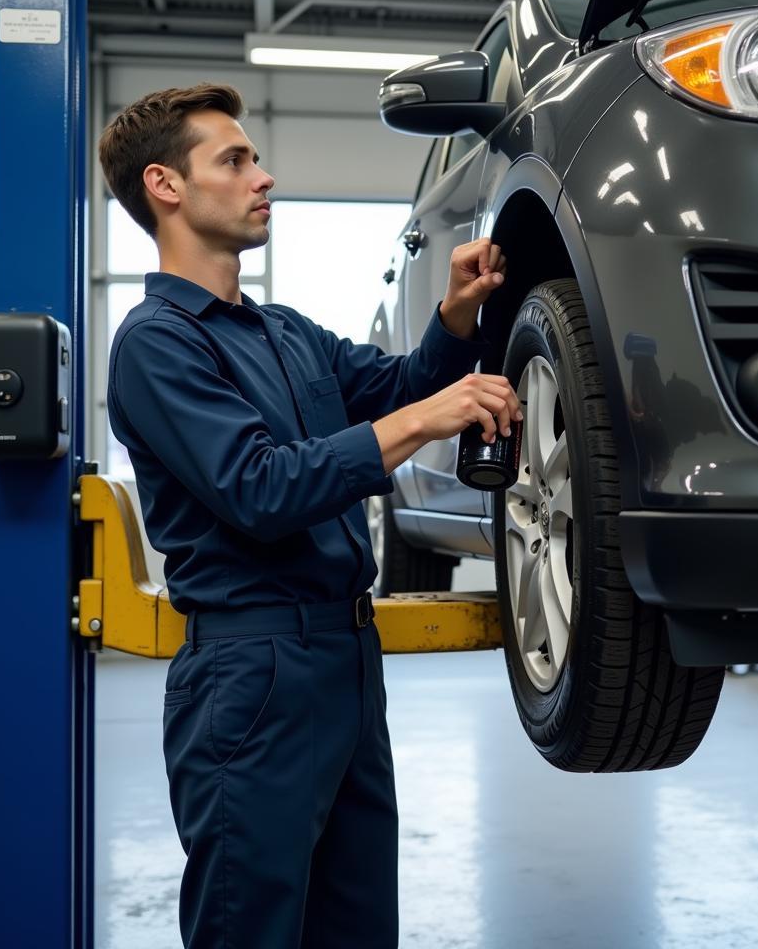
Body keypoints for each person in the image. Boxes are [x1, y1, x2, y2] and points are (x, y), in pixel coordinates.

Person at [99, 82, 521, 948]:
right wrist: (417, 423)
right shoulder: (156, 343)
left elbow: (396, 387)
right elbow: (260, 489)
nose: (265, 177)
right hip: (252, 676)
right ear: (165, 186)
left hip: (347, 660)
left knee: (359, 925)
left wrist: (454, 316)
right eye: (236, 159)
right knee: (249, 928)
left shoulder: (284, 332)